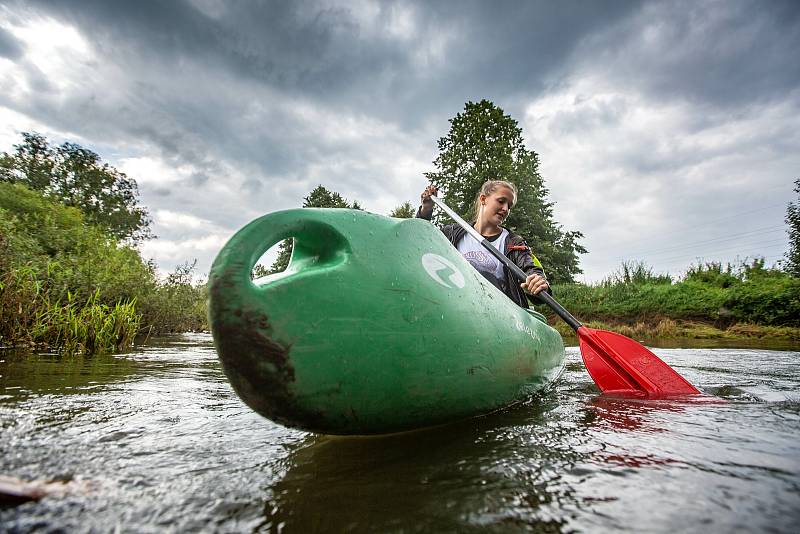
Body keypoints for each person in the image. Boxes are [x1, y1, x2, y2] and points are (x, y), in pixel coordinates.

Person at [417, 180, 550, 309]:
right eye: (501, 201)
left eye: (509, 206)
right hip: (454, 308)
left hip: (498, 315)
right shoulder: (451, 233)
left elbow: (530, 268)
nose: (505, 209)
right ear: (483, 199)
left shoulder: (514, 243)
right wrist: (426, 210)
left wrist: (537, 282)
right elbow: (420, 243)